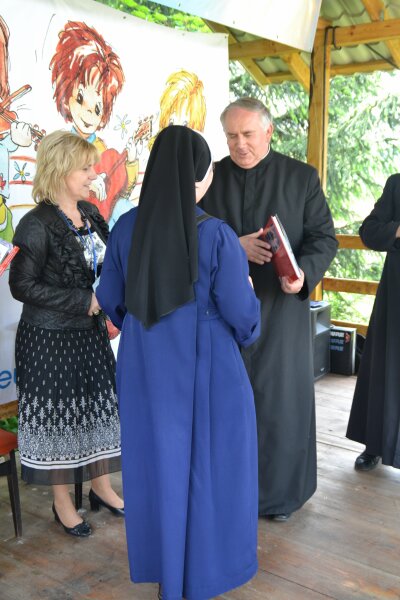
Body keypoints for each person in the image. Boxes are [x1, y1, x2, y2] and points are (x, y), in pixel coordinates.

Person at [97, 125, 261, 599]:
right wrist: (249, 304)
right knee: (211, 470)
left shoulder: (126, 227)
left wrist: (144, 326)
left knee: (157, 467)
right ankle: (203, 577)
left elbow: (110, 298)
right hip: (208, 365)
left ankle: (166, 572)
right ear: (199, 176)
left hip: (145, 367)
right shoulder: (217, 236)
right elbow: (243, 316)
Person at [200, 97, 338, 521]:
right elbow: (189, 234)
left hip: (281, 312)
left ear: (269, 132)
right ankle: (228, 493)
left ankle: (279, 498)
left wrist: (303, 275)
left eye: (248, 135)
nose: (239, 145)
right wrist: (233, 246)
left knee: (280, 406)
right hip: (224, 316)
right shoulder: (210, 179)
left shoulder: (301, 177)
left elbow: (324, 238)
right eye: (231, 136)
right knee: (225, 407)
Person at [9, 130, 124, 538]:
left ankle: (101, 487)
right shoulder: (35, 224)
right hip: (49, 340)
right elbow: (21, 286)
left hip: (89, 335)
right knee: (60, 421)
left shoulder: (90, 213)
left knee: (97, 410)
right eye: (85, 168)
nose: (94, 175)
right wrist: (83, 301)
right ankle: (62, 503)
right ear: (61, 170)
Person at [346, 174, 400, 471]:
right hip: (396, 295)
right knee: (385, 368)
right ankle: (375, 445)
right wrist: (397, 230)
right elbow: (368, 231)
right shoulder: (397, 184)